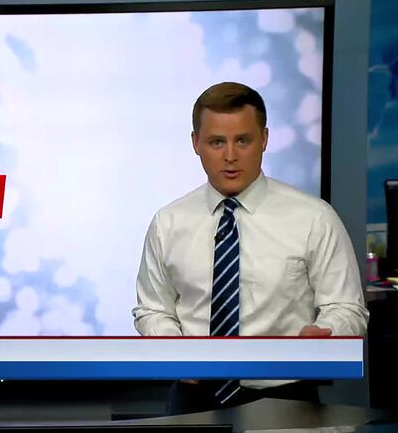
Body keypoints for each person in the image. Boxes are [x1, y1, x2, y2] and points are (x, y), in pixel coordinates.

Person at [132, 82, 369, 415]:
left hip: (287, 400)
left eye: (243, 140)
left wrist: (326, 334)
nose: (230, 156)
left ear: (264, 139)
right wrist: (177, 349)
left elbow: (347, 307)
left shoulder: (314, 218)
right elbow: (152, 310)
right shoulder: (168, 223)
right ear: (196, 143)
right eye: (217, 142)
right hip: (191, 402)